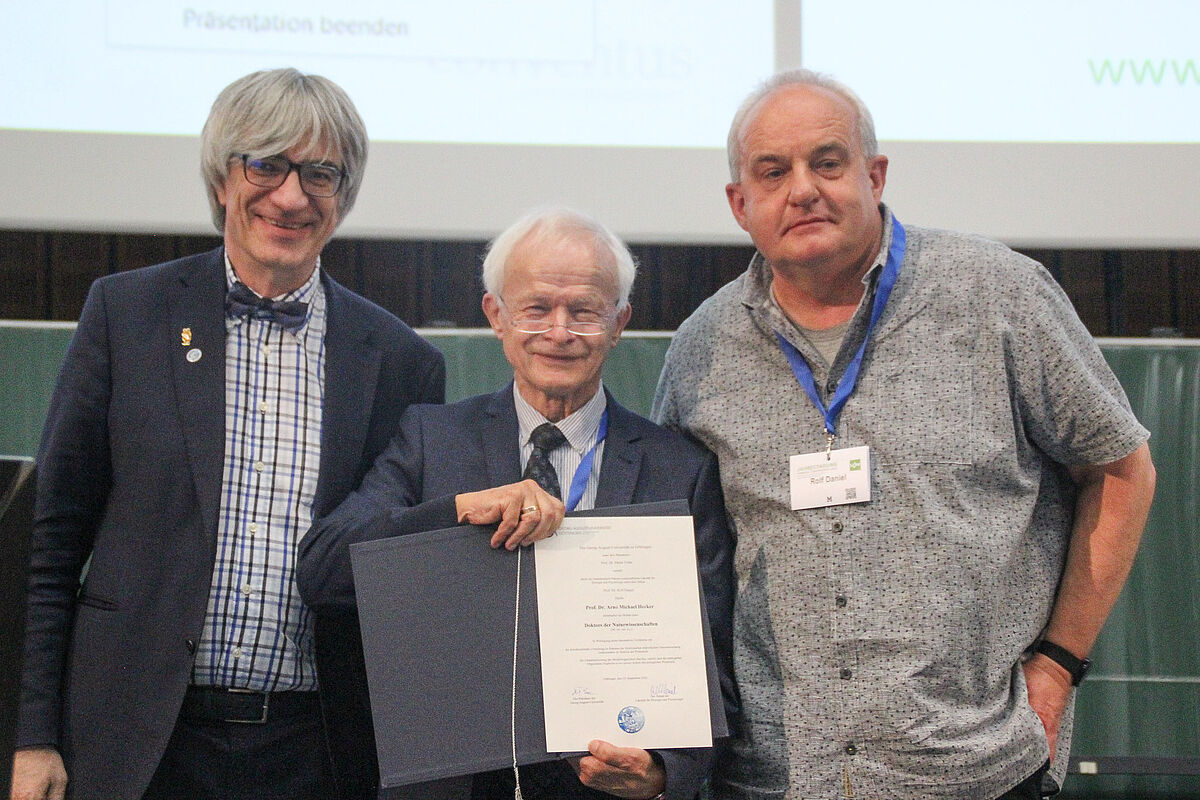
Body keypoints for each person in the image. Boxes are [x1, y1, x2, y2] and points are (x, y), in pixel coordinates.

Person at [651, 69, 1157, 800]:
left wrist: (1058, 665)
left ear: (875, 174)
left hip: (976, 770)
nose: (803, 189)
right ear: (740, 203)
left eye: (828, 162)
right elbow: (681, 554)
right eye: (773, 171)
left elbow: (1121, 470)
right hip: (774, 780)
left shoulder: (998, 295)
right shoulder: (701, 348)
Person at [11, 68, 445, 800]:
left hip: (316, 754)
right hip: (134, 744)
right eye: (266, 164)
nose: (290, 195)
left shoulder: (403, 362)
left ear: (343, 196)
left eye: (321, 173)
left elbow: (398, 587)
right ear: (222, 179)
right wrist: (32, 737)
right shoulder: (126, 315)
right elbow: (51, 545)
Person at [298, 208, 736, 800]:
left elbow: (715, 655)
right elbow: (323, 570)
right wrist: (456, 512)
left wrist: (663, 772)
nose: (559, 332)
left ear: (619, 323)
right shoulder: (430, 440)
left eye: (583, 310)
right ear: (496, 317)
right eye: (536, 308)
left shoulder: (678, 469)